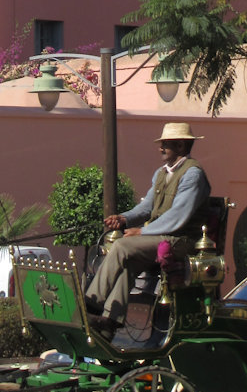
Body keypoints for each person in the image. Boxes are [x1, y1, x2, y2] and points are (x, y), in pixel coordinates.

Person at [84, 121, 211, 338]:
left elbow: (177, 216)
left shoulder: (193, 174)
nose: (160, 148)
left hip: (180, 241)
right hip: (160, 236)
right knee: (129, 260)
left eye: (165, 144)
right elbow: (146, 207)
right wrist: (124, 219)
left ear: (180, 146)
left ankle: (91, 303)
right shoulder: (161, 174)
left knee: (123, 246)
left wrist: (141, 232)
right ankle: (109, 321)